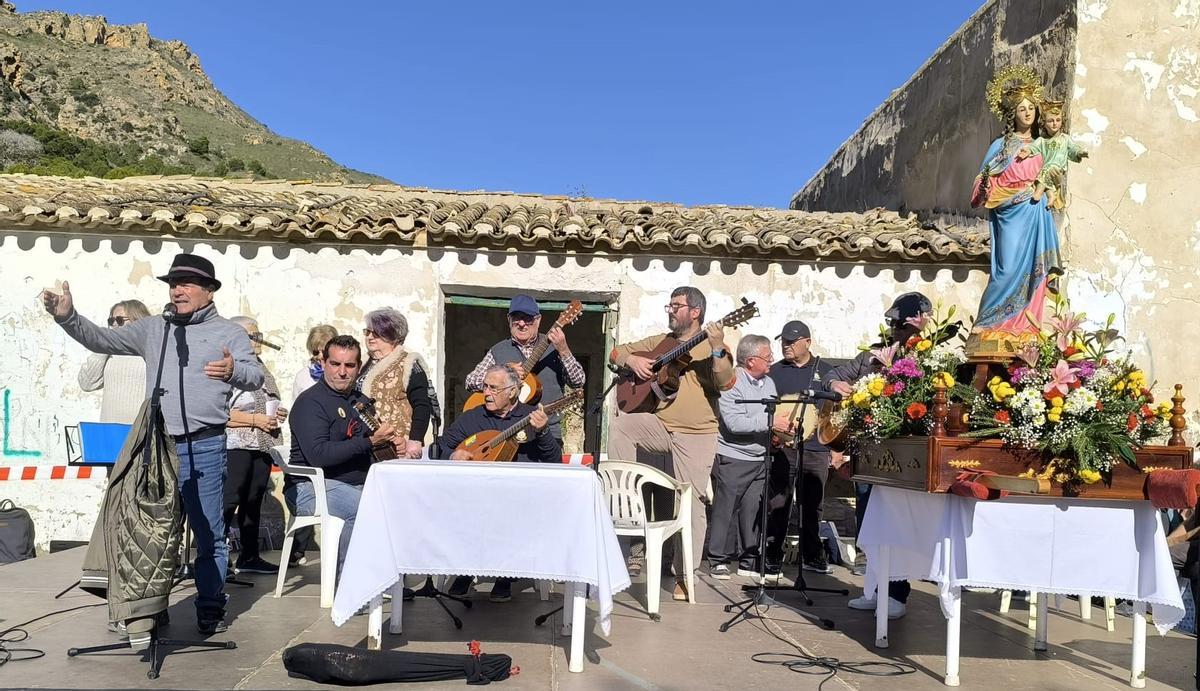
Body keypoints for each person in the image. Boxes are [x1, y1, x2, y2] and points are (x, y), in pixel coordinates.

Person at [43, 253, 264, 635]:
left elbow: (255, 374)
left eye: (187, 283)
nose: (177, 289)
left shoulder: (230, 333)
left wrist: (233, 370)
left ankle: (210, 606)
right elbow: (102, 338)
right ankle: (149, 608)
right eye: (173, 283)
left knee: (209, 532)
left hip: (206, 447)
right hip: (155, 447)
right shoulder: (153, 328)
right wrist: (67, 316)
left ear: (209, 291)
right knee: (150, 531)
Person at [607, 286, 734, 601]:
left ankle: (686, 575)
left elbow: (726, 381)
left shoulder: (711, 345)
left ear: (695, 312)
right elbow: (614, 352)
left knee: (690, 503)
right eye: (669, 305)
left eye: (676, 306)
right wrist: (633, 360)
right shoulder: (660, 342)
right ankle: (625, 498)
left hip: (697, 433)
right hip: (661, 424)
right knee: (621, 426)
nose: (670, 310)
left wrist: (717, 347)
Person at [825, 292, 934, 620]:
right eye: (893, 324)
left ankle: (896, 594)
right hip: (867, 450)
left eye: (901, 323)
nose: (896, 329)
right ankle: (874, 589)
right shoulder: (874, 354)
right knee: (868, 525)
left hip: (901, 455)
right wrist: (836, 386)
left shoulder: (928, 356)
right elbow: (832, 374)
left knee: (895, 526)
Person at [437, 364, 560, 602]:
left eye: (494, 388)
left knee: (507, 511)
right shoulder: (473, 417)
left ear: (513, 391)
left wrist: (543, 431)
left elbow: (554, 458)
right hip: (477, 494)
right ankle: (467, 569)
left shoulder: (531, 415)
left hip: (519, 495)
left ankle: (504, 576)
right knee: (465, 508)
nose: (487, 393)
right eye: (485, 386)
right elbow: (442, 445)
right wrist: (452, 455)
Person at [286, 335, 398, 582]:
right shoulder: (310, 403)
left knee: (399, 504)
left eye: (349, 366)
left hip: (352, 482)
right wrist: (370, 442)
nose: (342, 372)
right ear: (323, 363)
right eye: (335, 364)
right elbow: (319, 455)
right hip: (310, 487)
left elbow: (369, 443)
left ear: (359, 368)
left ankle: (385, 581)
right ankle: (349, 586)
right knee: (363, 509)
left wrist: (391, 444)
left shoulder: (357, 401)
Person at [967, 66, 1060, 356]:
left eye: (1032, 108)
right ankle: (988, 323)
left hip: (1036, 214)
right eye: (1022, 109)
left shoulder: (1044, 146)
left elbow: (1054, 176)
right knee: (1006, 270)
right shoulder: (1000, 146)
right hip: (1009, 213)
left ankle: (1025, 329)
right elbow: (981, 184)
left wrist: (1051, 190)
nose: (1028, 113)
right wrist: (986, 187)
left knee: (1035, 273)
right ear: (1013, 114)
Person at [765, 320, 838, 580]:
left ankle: (811, 553)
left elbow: (835, 411)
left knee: (812, 503)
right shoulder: (774, 372)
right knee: (779, 501)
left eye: (792, 341)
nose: (786, 345)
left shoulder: (828, 373)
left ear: (807, 342)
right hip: (784, 447)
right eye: (783, 341)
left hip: (816, 448)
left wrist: (835, 448)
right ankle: (773, 551)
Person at [706, 335, 779, 581]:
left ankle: (749, 560)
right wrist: (771, 423)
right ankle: (718, 560)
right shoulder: (731, 382)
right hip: (734, 456)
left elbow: (772, 417)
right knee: (725, 509)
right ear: (750, 361)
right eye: (767, 356)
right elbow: (734, 423)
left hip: (760, 458)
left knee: (753, 510)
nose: (772, 360)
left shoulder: (769, 382)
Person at [464, 295, 584, 443]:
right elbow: (470, 381)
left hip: (547, 432)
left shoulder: (556, 347)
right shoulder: (498, 350)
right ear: (509, 320)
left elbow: (578, 381)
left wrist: (564, 350)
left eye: (528, 318)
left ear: (538, 320)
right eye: (516, 317)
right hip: (504, 434)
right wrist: (504, 371)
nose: (522, 323)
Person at [223, 316, 287, 575]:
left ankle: (249, 556)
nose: (258, 339)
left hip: (261, 443)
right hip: (236, 443)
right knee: (229, 500)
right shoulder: (227, 369)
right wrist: (254, 419)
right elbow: (219, 412)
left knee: (253, 500)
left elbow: (265, 400)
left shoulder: (261, 368)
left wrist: (276, 414)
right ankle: (218, 556)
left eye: (258, 333)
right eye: (252, 335)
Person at [359, 308, 433, 459]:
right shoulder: (361, 362)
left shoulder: (408, 363)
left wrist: (415, 440)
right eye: (368, 332)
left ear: (393, 337)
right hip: (366, 442)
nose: (370, 337)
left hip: (397, 446)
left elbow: (422, 405)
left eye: (377, 333)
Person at [77, 299, 151, 424]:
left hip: (141, 431)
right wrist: (103, 345)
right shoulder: (109, 352)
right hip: (109, 430)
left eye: (120, 320)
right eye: (111, 321)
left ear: (138, 321)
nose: (115, 325)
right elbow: (87, 384)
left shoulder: (151, 349)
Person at [1017, 99, 1087, 209]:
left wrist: (1080, 153)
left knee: (1046, 174)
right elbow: (1034, 147)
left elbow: (1073, 148)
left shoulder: (1065, 139)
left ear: (1062, 122)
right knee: (1047, 182)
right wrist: (1028, 151)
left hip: (1058, 168)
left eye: (1058, 120)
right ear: (1044, 123)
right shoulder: (1042, 141)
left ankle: (1039, 192)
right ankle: (1051, 197)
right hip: (1046, 168)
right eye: (1050, 121)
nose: (1055, 123)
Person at [292, 324, 338, 401]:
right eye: (315, 352)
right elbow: (295, 406)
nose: (320, 356)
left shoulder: (341, 374)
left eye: (324, 352)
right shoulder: (302, 376)